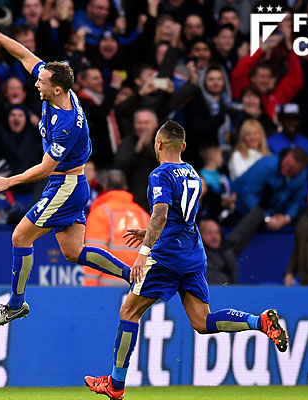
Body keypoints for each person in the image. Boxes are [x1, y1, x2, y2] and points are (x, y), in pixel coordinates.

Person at [84, 121, 288, 400]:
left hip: (167, 257)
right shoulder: (192, 173)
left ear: (158, 144)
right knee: (202, 322)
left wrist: (143, 252)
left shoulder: (160, 174)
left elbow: (160, 214)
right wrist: (150, 232)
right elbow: (181, 217)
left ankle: (115, 385)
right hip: (193, 253)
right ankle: (259, 321)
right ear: (183, 146)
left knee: (129, 312)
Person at [0, 22, 133, 325]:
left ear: (56, 89)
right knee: (73, 252)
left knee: (20, 237)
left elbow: (46, 168)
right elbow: (24, 55)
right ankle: (133, 275)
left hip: (66, 186)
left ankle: (16, 304)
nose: (36, 83)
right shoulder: (58, 90)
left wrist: (10, 181)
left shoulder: (67, 124)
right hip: (72, 184)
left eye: (41, 82)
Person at [83, 170, 150, 286]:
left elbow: (94, 255)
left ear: (105, 187)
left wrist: (89, 288)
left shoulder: (100, 213)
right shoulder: (144, 215)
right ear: (126, 188)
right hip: (139, 287)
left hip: (108, 288)